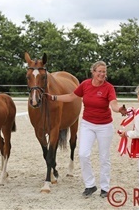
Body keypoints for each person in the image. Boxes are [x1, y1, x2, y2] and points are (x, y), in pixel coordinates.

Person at [46, 61, 127, 198]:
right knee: (83, 154)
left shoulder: (109, 88)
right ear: (93, 72)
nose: (102, 74)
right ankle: (90, 185)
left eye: (104, 72)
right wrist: (53, 97)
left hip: (104, 126)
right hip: (88, 125)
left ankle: (105, 188)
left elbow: (113, 104)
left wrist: (119, 109)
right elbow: (71, 96)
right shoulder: (85, 85)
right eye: (99, 71)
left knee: (104, 157)